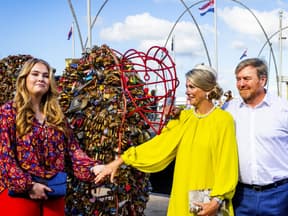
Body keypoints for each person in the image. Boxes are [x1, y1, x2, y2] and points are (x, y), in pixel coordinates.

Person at [93, 64, 239, 216]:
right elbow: (157, 146)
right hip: (182, 197)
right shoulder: (183, 118)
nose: (187, 92)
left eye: (192, 87)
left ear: (207, 90)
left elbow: (227, 164)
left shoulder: (223, 121)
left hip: (210, 201)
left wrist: (217, 200)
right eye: (187, 87)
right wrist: (121, 160)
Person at [0, 58, 102, 216]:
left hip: (53, 190)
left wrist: (93, 167)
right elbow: (4, 155)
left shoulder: (56, 116)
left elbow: (73, 150)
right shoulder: (7, 112)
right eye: (35, 74)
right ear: (24, 79)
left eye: (45, 76)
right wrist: (29, 186)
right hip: (19, 193)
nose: (41, 78)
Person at [223, 58, 288, 216]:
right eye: (238, 79)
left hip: (279, 196)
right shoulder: (228, 110)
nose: (241, 84)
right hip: (240, 196)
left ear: (263, 80)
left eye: (246, 78)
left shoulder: (283, 110)